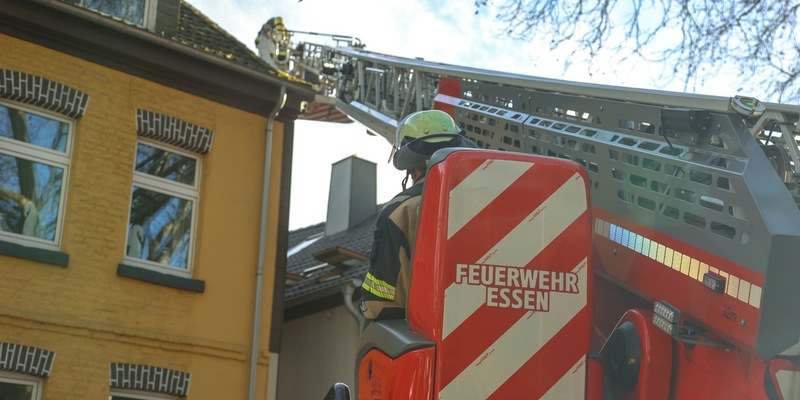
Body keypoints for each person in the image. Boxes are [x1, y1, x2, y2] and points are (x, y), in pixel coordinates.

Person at [360, 110, 477, 320]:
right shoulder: (494, 202)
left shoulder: (399, 212)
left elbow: (382, 304)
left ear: (411, 169)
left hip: (426, 330)